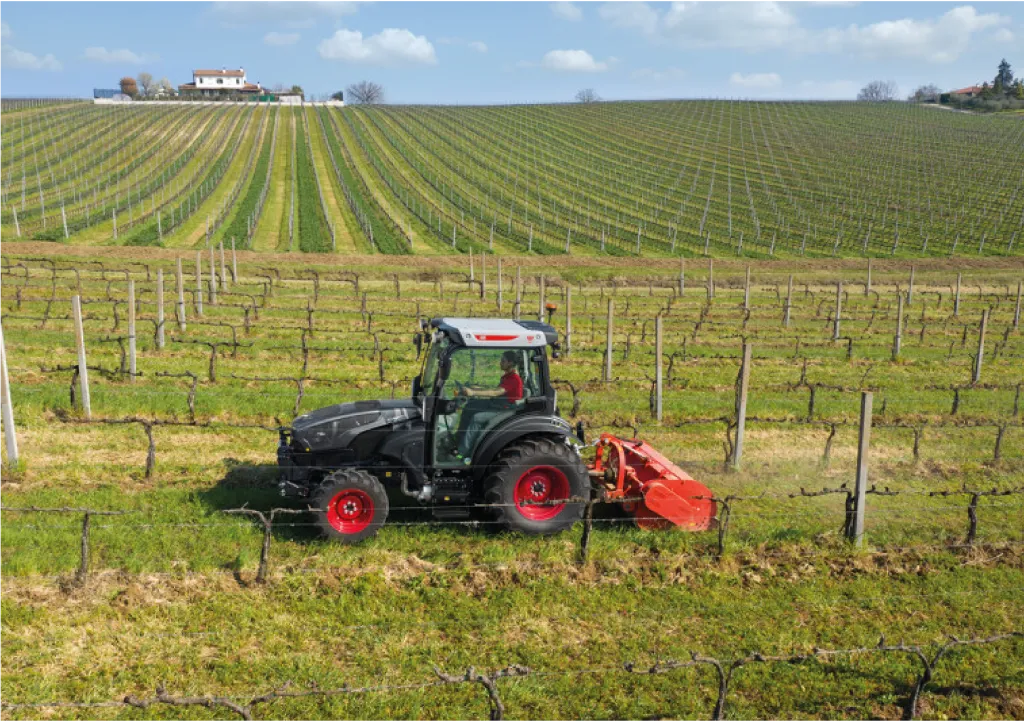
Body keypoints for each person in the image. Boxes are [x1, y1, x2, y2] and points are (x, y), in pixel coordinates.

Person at [452, 351, 523, 458]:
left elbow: (495, 393)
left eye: (503, 361)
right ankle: (459, 438)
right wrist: (474, 388)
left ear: (510, 363)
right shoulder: (508, 376)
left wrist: (473, 392)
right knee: (470, 406)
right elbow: (495, 389)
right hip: (497, 405)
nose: (500, 363)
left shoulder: (514, 379)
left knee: (477, 418)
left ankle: (462, 452)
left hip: (504, 411)